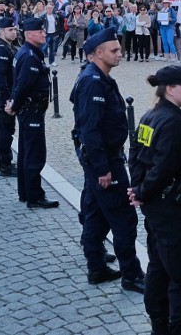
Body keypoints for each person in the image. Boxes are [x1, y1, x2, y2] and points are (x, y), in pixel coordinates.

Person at [128, 66, 181, 335]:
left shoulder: (150, 116)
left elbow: (135, 157)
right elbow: (163, 167)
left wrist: (139, 190)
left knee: (159, 268)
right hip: (175, 212)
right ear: (170, 89)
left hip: (156, 210)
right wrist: (141, 192)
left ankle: (159, 325)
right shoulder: (173, 122)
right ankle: (178, 328)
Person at [70, 28, 145, 290]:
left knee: (95, 214)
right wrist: (103, 168)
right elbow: (90, 129)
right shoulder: (92, 81)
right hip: (105, 162)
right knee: (124, 218)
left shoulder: (97, 76)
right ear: (97, 54)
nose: (120, 53)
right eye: (114, 50)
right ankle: (131, 275)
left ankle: (97, 267)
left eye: (119, 49)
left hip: (100, 160)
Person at [5, 18, 56, 208]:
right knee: (35, 154)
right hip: (31, 110)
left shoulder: (28, 52)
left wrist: (13, 103)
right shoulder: (30, 56)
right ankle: (35, 196)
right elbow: (23, 85)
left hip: (28, 109)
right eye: (40, 31)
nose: (44, 33)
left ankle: (25, 193)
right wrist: (14, 105)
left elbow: (17, 83)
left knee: (26, 152)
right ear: (29, 34)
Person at [0, 17, 18, 177]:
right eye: (10, 30)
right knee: (6, 129)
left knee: (1, 127)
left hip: (5, 92)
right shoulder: (1, 48)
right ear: (2, 32)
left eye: (15, 29)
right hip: (4, 94)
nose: (14, 32)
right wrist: (7, 98)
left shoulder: (9, 46)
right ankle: (5, 164)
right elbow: (0, 76)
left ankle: (0, 161)